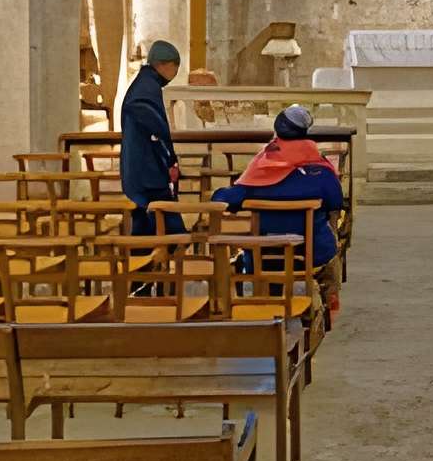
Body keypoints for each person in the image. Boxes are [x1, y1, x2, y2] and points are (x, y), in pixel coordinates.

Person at [213, 104, 346, 316]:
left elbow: (226, 199)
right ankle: (328, 304)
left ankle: (269, 306)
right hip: (312, 253)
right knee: (331, 249)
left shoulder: (260, 170)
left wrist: (220, 193)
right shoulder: (321, 172)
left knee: (263, 250)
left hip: (265, 254)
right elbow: (336, 203)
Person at [119, 38, 183, 235]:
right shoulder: (147, 89)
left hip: (138, 167)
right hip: (148, 169)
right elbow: (156, 132)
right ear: (163, 65)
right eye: (175, 67)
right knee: (168, 224)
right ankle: (173, 249)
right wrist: (170, 161)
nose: (175, 73)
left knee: (145, 223)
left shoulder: (144, 85)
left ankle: (142, 260)